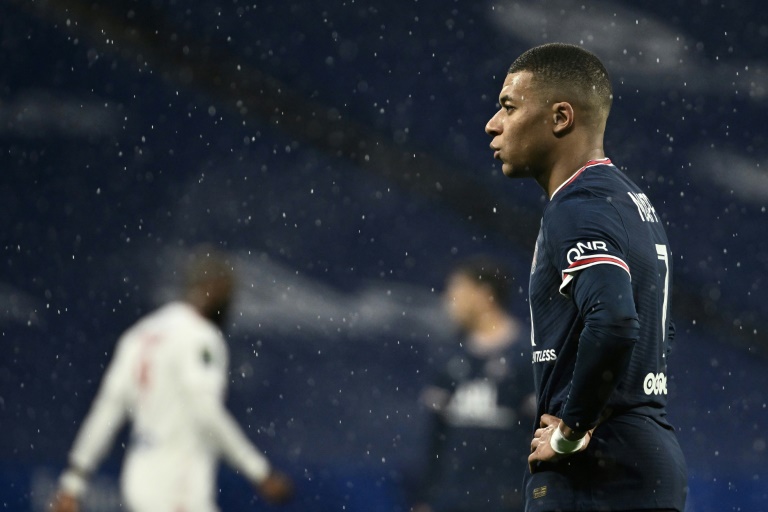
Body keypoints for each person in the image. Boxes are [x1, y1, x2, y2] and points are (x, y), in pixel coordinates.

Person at [484, 43, 688, 512]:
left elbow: (615, 321)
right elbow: (658, 330)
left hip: (597, 472)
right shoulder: (631, 202)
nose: (493, 124)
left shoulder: (578, 206)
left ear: (560, 117)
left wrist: (571, 432)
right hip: (643, 457)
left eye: (508, 107)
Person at [52, 247, 294, 512]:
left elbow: (107, 410)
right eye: (227, 293)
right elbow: (206, 411)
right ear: (213, 289)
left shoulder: (140, 334)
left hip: (139, 481)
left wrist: (73, 483)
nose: (230, 304)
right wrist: (259, 471)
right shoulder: (200, 337)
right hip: (177, 485)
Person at [413, 256, 535, 512]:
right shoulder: (448, 356)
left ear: (483, 295)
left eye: (457, 290)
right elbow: (436, 437)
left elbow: (542, 435)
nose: (448, 300)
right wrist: (426, 498)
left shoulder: (528, 357)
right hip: (452, 499)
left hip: (508, 499)